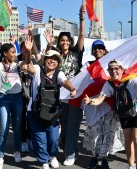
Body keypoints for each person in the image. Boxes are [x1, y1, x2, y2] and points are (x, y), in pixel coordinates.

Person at [83, 59, 137, 169]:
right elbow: (99, 99)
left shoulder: (132, 80)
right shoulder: (109, 84)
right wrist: (90, 102)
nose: (114, 71)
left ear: (122, 69)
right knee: (128, 139)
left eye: (116, 68)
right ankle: (131, 166)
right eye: (111, 69)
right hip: (125, 113)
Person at [23, 36, 77, 169]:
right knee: (39, 138)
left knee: (53, 139)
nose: (52, 61)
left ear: (58, 63)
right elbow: (28, 67)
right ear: (45, 60)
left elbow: (65, 82)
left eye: (55, 60)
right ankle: (43, 161)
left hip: (52, 111)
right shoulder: (37, 69)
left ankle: (52, 156)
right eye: (49, 58)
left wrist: (72, 88)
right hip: (34, 111)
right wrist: (29, 51)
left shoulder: (59, 74)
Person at [44, 2, 85, 166]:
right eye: (62, 40)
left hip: (74, 93)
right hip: (58, 95)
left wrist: (81, 18)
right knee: (63, 126)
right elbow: (47, 60)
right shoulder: (56, 55)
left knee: (73, 125)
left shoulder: (76, 52)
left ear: (71, 42)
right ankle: (67, 148)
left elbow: (82, 34)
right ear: (59, 42)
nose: (65, 42)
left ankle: (70, 154)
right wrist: (49, 43)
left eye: (67, 40)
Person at [82, 40, 123, 169]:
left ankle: (104, 158)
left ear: (104, 50)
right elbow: (81, 82)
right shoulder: (87, 66)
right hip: (92, 103)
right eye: (95, 48)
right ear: (92, 51)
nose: (98, 50)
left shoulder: (111, 64)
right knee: (94, 131)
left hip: (109, 104)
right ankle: (94, 157)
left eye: (100, 48)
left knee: (108, 132)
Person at [0, 38, 23, 169]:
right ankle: (0, 156)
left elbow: (26, 62)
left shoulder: (17, 65)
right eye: (12, 52)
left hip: (17, 98)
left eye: (15, 52)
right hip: (3, 98)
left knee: (17, 127)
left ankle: (17, 151)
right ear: (5, 53)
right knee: (4, 127)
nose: (14, 54)